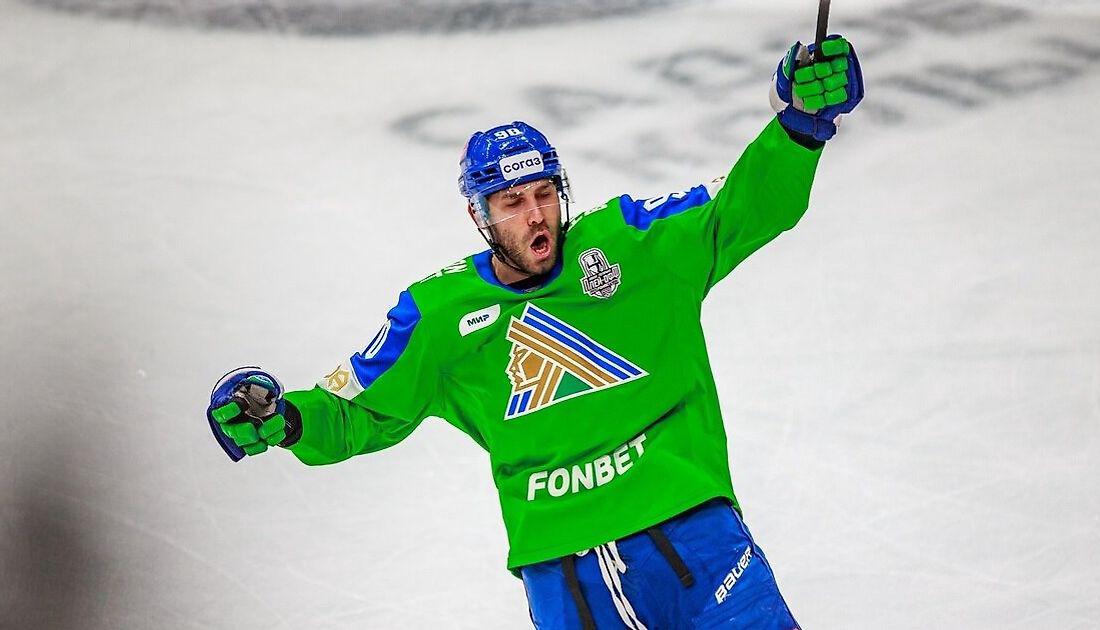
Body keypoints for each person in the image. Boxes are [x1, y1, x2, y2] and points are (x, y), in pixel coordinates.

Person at [207, 34, 864, 629]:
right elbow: (356, 413)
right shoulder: (437, 315)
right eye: (513, 202)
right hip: (568, 580)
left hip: (698, 535)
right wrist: (284, 419)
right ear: (479, 215)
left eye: (544, 193)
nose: (535, 215)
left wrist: (798, 128)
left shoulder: (634, 244)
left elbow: (742, 207)